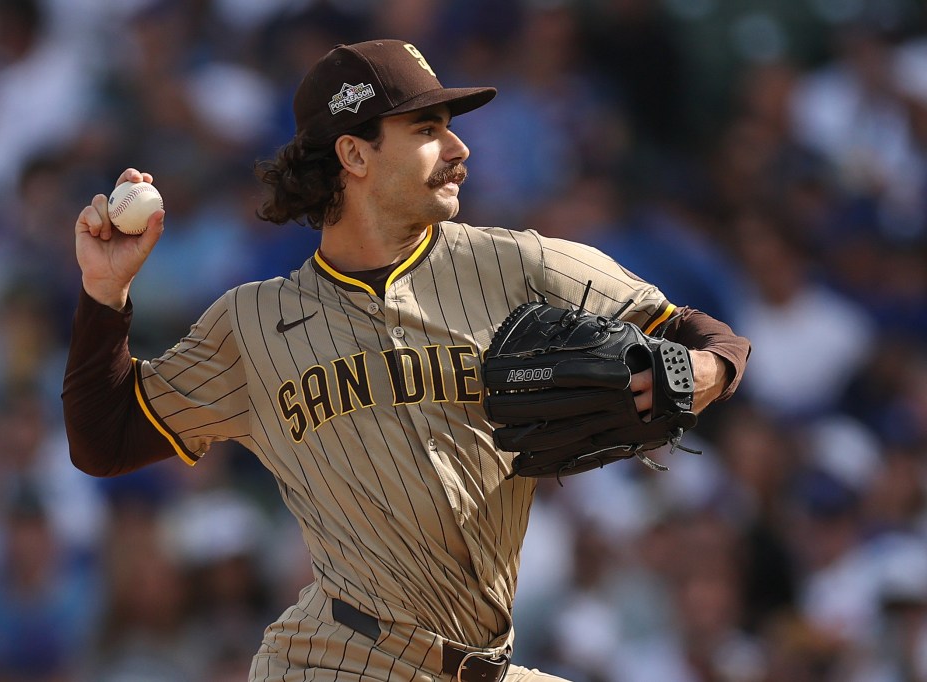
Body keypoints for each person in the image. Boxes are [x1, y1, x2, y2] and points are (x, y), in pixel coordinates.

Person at [63, 39, 751, 682]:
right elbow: (105, 440)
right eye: (426, 130)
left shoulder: (518, 264)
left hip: (484, 663)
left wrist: (697, 375)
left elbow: (710, 337)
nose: (458, 148)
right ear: (355, 156)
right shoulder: (252, 322)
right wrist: (104, 293)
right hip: (335, 659)